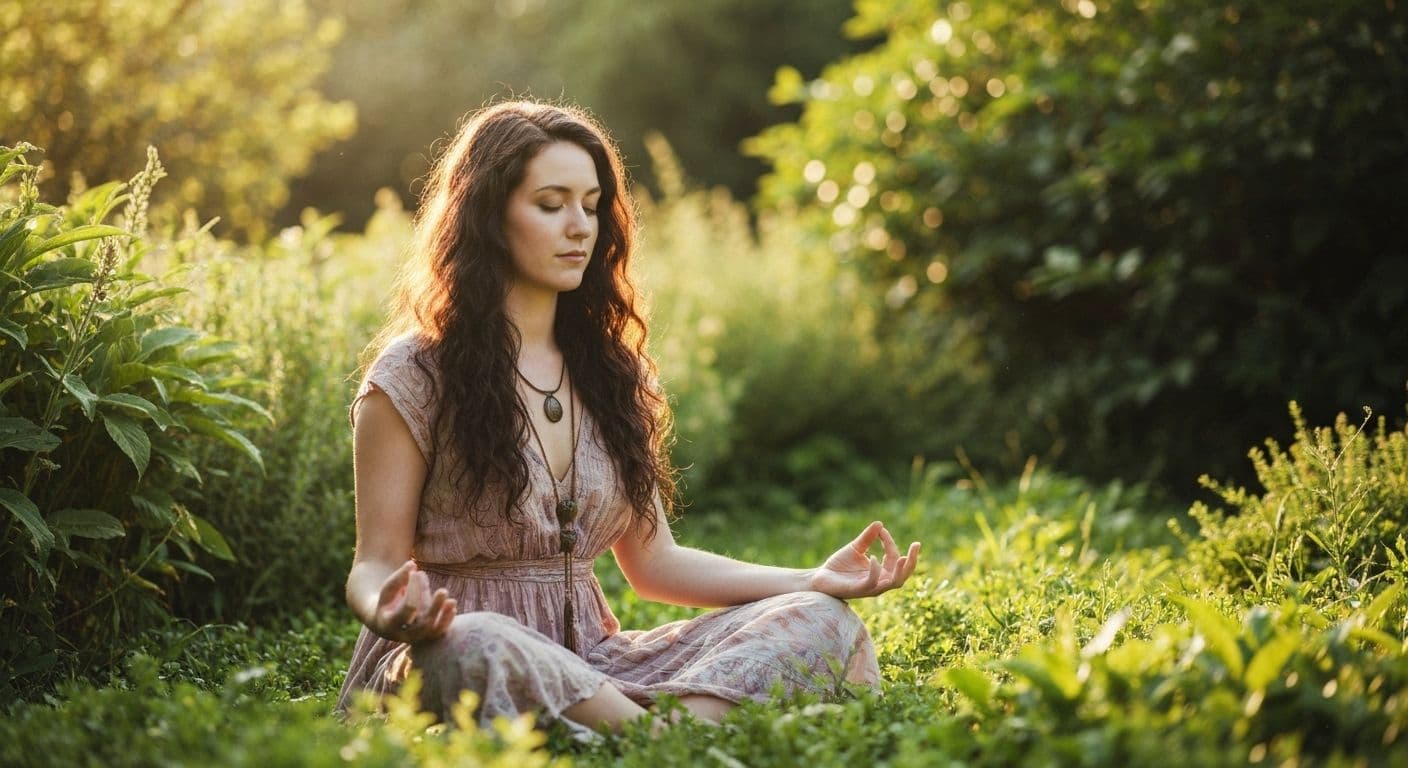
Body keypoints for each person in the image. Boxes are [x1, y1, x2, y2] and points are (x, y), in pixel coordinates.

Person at [335, 100, 921, 734]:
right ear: (488, 217)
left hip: (593, 665)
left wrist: (811, 578)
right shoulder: (416, 374)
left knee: (820, 617)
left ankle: (622, 732)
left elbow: (655, 564)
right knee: (480, 642)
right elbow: (375, 562)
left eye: (591, 205)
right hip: (451, 656)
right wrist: (391, 608)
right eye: (551, 203)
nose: (580, 226)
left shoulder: (614, 372)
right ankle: (663, 735)